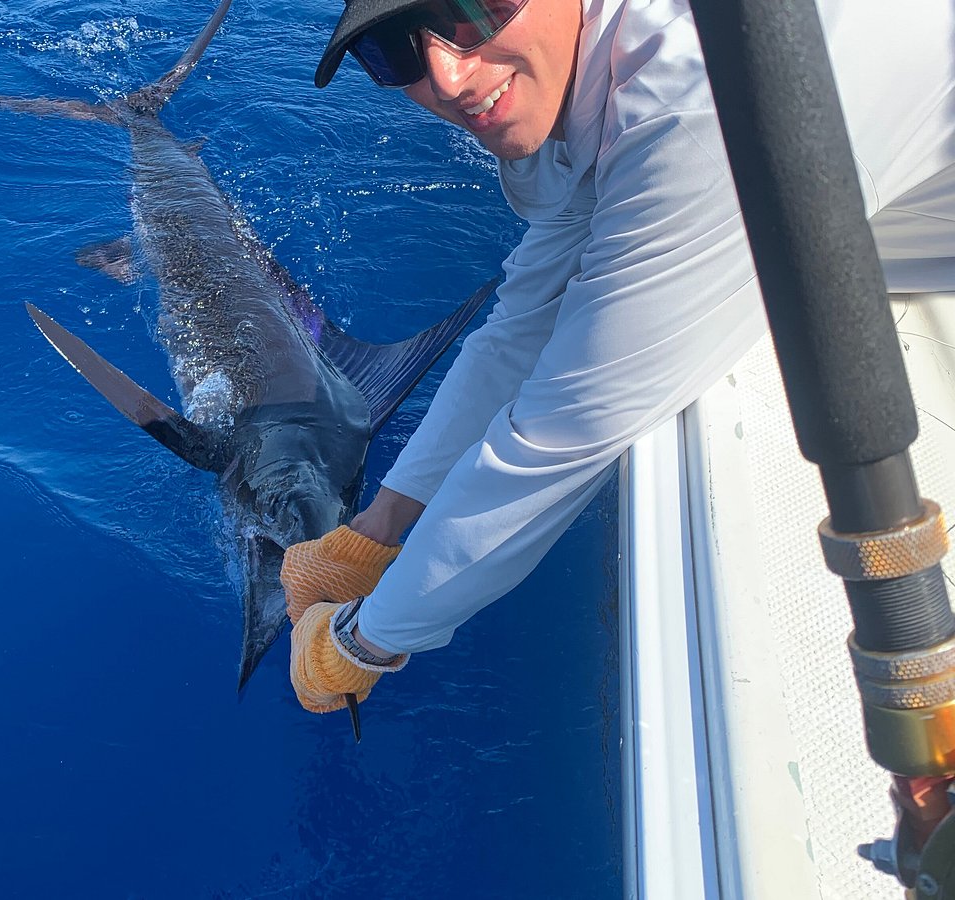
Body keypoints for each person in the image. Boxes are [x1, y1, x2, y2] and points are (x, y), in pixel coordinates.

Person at [279, 0, 955, 714]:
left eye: (472, 8)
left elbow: (554, 440)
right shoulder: (592, 80)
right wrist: (373, 531)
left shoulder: (691, 112)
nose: (446, 75)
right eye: (394, 52)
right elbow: (524, 321)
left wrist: (356, 644)